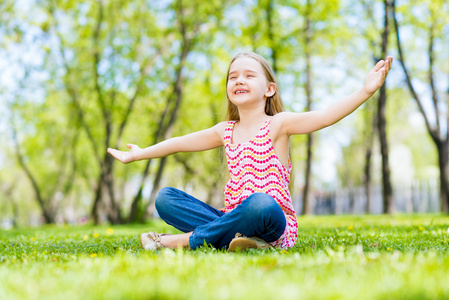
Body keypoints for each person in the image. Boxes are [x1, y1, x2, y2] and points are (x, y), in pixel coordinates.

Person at [108, 52, 393, 251]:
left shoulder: (279, 124)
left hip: (270, 220)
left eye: (248, 75)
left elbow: (326, 115)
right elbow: (180, 142)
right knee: (165, 198)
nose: (239, 81)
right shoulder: (225, 131)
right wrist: (140, 154)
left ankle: (181, 241)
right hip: (233, 218)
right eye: (233, 77)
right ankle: (241, 240)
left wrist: (365, 92)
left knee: (260, 203)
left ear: (269, 89)